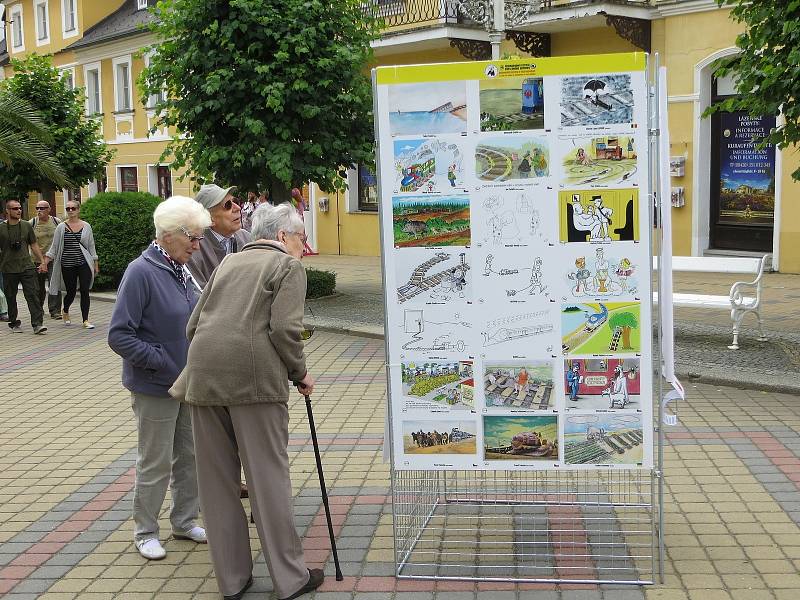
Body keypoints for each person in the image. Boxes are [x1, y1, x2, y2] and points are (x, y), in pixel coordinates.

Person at [172, 202, 324, 600]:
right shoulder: (286, 267)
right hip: (255, 384)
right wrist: (300, 373)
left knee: (217, 484)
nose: (303, 247)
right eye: (301, 239)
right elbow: (284, 329)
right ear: (282, 237)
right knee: (267, 480)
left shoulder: (228, 263)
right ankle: (291, 580)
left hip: (202, 379)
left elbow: (193, 324)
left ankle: (233, 581)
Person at [108, 196, 211, 561]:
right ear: (170, 235)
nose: (198, 247)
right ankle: (145, 530)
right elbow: (119, 335)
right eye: (193, 239)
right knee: (155, 460)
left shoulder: (182, 269)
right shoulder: (141, 272)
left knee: (191, 455)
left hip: (188, 383)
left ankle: (184, 520)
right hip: (155, 386)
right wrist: (164, 363)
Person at [45, 200, 99, 329]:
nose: (70, 211)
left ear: (78, 210)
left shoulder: (86, 226)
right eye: (68, 208)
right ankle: (66, 310)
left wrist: (95, 263)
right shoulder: (61, 227)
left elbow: (91, 246)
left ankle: (85, 320)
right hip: (67, 263)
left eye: (73, 208)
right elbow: (54, 247)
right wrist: (45, 261)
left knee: (85, 290)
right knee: (71, 291)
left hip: (84, 262)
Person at [186, 184, 251, 289]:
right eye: (228, 205)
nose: (238, 208)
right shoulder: (194, 249)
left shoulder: (247, 239)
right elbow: (199, 296)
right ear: (209, 219)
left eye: (236, 201)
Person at [1, 199, 48, 334]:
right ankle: (14, 323)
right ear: (8, 211)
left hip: (27, 266)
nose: (18, 211)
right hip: (8, 268)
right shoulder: (1, 228)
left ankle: (37, 324)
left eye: (20, 208)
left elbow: (33, 244)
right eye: (15, 209)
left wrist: (42, 261)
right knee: (11, 296)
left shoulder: (26, 225)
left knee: (33, 295)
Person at [30, 200, 63, 319]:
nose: (39, 210)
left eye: (42, 208)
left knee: (54, 284)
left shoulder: (56, 222)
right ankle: (39, 309)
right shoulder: (32, 223)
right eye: (37, 208)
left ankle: (55, 311)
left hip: (53, 259)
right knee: (38, 287)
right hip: (36, 260)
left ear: (49, 209)